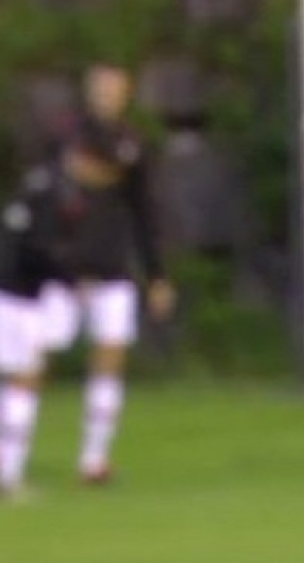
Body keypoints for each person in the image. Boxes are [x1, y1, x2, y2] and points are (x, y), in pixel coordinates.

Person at [48, 62, 175, 485]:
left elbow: (144, 212)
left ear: (125, 94)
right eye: (100, 89)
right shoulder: (66, 135)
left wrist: (156, 275)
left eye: (114, 90)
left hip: (112, 268)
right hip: (62, 272)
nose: (106, 96)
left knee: (110, 355)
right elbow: (47, 198)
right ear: (89, 91)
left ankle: (94, 459)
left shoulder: (132, 144)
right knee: (30, 358)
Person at [0, 164, 64, 500]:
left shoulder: (17, 205)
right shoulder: (46, 206)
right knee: (25, 383)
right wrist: (70, 276)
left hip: (5, 296)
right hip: (24, 305)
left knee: (12, 383)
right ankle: (10, 476)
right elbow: (40, 256)